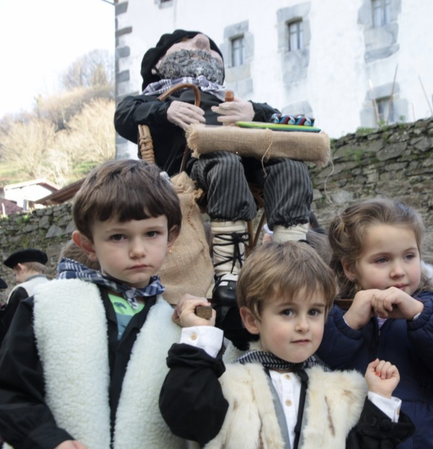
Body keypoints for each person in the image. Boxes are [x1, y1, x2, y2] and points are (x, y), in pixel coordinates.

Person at [114, 29, 313, 321]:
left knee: (290, 165)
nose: (203, 43)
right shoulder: (153, 99)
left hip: (245, 162)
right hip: (191, 166)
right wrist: (164, 110)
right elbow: (124, 113)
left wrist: (253, 111)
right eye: (184, 43)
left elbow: (278, 121)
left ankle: (295, 258)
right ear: (156, 65)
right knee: (223, 162)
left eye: (210, 48)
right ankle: (229, 273)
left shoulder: (229, 99)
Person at [160, 241, 415, 449]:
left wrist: (380, 400)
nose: (303, 325)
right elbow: (186, 418)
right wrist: (201, 336)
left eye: (314, 312)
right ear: (251, 320)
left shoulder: (345, 392)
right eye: (287, 312)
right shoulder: (223, 385)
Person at [0, 159, 186, 449]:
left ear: (172, 237)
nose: (138, 250)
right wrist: (42, 440)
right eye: (118, 236)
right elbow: (8, 388)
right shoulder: (46, 307)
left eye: (152, 233)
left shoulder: (176, 323)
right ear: (87, 244)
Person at [315, 198, 433, 449]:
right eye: (381, 260)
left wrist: (421, 316)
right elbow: (316, 361)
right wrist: (349, 322)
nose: (399, 271)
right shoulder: (333, 313)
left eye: (409, 256)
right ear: (350, 268)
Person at [0, 249, 49, 345]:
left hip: (26, 348)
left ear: (20, 267)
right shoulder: (53, 285)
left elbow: (9, 327)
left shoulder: (22, 290)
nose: (14, 275)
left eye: (14, 270)